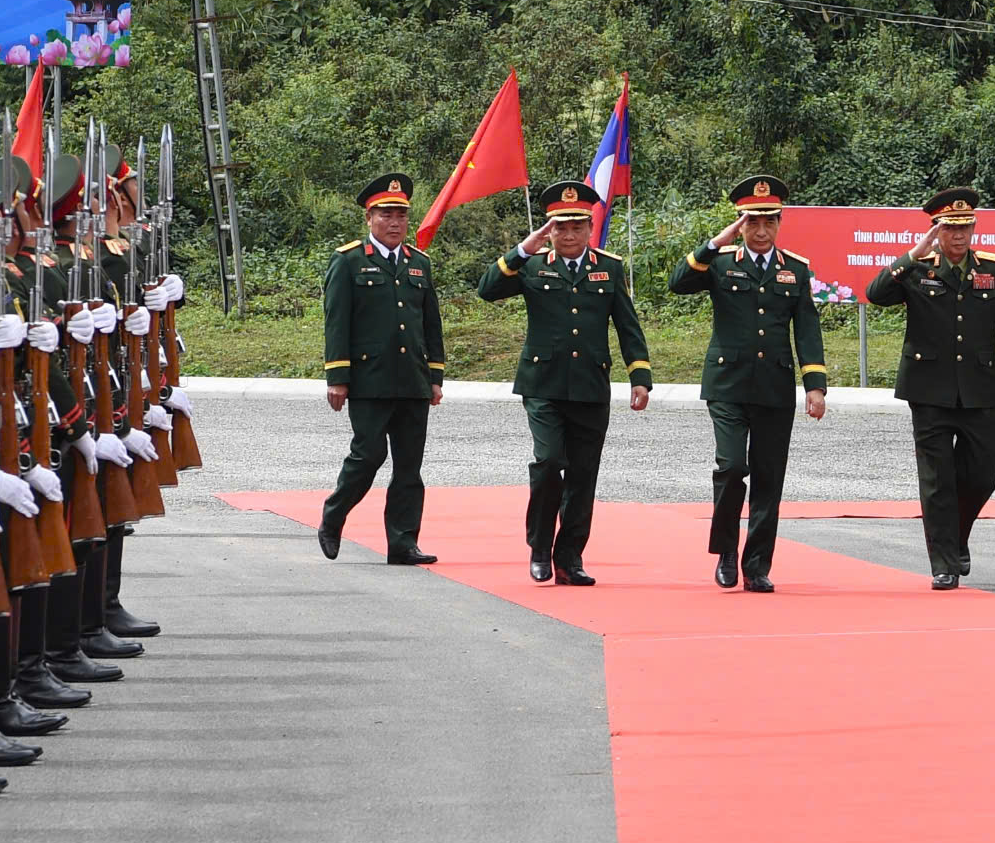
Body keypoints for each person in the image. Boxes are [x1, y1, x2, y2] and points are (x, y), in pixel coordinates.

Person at [475, 180, 652, 585]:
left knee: (583, 473)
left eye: (577, 227)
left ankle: (570, 557)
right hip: (543, 384)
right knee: (550, 461)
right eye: (560, 227)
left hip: (591, 385)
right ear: (548, 230)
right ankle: (539, 547)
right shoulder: (532, 265)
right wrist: (523, 248)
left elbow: (627, 325)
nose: (568, 235)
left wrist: (639, 375)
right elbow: (487, 290)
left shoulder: (608, 267)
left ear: (590, 229)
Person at [865, 187, 995, 589]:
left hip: (979, 390)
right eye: (949, 228)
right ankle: (943, 562)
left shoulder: (993, 270)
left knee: (982, 477)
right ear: (936, 230)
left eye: (965, 227)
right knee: (938, 481)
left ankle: (957, 538)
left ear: (974, 228)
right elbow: (875, 294)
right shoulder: (917, 269)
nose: (958, 236)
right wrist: (911, 255)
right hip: (928, 391)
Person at [669, 175, 829, 592]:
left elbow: (807, 330)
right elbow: (677, 283)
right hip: (727, 384)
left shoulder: (795, 269)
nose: (760, 232)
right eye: (751, 223)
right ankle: (726, 550)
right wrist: (714, 243)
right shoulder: (719, 262)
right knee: (732, 466)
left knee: (768, 476)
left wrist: (815, 385)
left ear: (779, 223)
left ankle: (757, 564)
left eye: (768, 223)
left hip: (775, 387)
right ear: (740, 224)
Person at [318, 174, 446, 565]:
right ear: (369, 218)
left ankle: (403, 541)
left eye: (401, 216)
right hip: (369, 380)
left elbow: (430, 323)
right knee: (368, 455)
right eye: (385, 215)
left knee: (410, 465)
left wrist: (435, 376)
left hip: (411, 379)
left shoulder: (418, 263)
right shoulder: (349, 260)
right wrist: (337, 378)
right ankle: (334, 516)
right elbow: (337, 322)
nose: (394, 223)